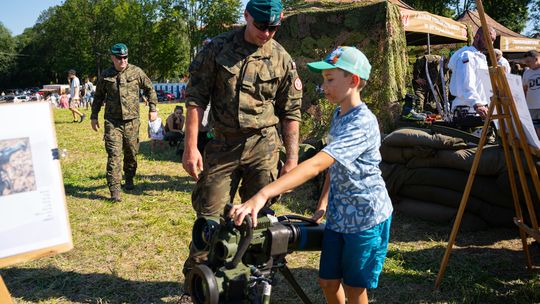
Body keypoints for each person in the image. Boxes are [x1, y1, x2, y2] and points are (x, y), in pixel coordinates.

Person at [230, 46, 393, 304]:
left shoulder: (362, 123)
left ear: (354, 81)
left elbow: (318, 164)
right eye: (323, 80)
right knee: (327, 281)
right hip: (340, 215)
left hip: (366, 218)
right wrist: (324, 203)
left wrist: (263, 194)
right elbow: (335, 164)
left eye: (330, 79)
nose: (323, 86)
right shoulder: (339, 114)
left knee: (354, 288)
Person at [182, 0, 302, 286]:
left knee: (258, 221)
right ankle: (196, 285)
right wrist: (191, 146)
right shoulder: (217, 48)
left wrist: (293, 160)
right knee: (209, 220)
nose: (267, 33)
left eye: (273, 27)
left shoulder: (282, 58)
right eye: (261, 25)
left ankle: (250, 283)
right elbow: (195, 98)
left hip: (264, 147)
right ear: (246, 16)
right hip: (223, 145)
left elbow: (291, 112)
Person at [90, 43, 158, 202]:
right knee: (114, 155)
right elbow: (98, 97)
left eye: (125, 57)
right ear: (112, 58)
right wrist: (94, 116)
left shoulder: (136, 72)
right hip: (112, 122)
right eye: (119, 58)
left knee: (131, 153)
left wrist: (153, 108)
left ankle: (129, 178)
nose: (123, 60)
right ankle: (114, 191)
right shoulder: (106, 75)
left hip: (132, 121)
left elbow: (150, 89)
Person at [448, 27, 497, 119]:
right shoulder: (467, 56)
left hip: (478, 109)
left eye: (493, 40)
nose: (491, 43)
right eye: (488, 39)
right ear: (477, 37)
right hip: (468, 110)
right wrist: (477, 104)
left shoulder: (479, 56)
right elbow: (465, 83)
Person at [522, 50, 540, 138]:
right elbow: (524, 89)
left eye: (529, 61)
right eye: (526, 62)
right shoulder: (526, 72)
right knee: (535, 128)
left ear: (536, 59)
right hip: (531, 106)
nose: (527, 64)